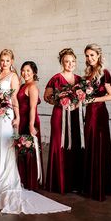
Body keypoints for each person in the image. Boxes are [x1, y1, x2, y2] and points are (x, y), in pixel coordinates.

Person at [0, 49, 71, 214]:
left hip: (5, 115)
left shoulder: (14, 77)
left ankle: (4, 178)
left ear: (12, 61)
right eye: (2, 60)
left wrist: (17, 117)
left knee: (5, 145)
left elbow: (14, 99)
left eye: (7, 60)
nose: (4, 63)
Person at [44, 48, 83, 194]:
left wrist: (75, 105)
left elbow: (83, 98)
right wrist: (60, 101)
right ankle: (57, 182)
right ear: (62, 62)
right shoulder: (56, 78)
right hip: (60, 116)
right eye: (67, 61)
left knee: (75, 147)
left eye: (72, 61)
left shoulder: (80, 79)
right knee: (58, 146)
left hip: (75, 116)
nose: (70, 64)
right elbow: (47, 97)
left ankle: (74, 184)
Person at [83, 43, 111, 201]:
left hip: (99, 113)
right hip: (89, 112)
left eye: (92, 55)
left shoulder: (104, 73)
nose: (90, 58)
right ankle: (90, 184)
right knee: (90, 144)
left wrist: (92, 99)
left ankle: (100, 186)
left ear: (98, 56)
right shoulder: (88, 73)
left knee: (99, 145)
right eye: (87, 55)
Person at [17, 61, 44, 191]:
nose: (25, 73)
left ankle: (31, 182)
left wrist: (31, 125)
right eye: (23, 70)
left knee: (30, 152)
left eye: (28, 71)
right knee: (22, 151)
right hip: (22, 121)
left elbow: (33, 107)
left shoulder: (32, 86)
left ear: (34, 73)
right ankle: (23, 178)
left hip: (30, 121)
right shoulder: (23, 85)